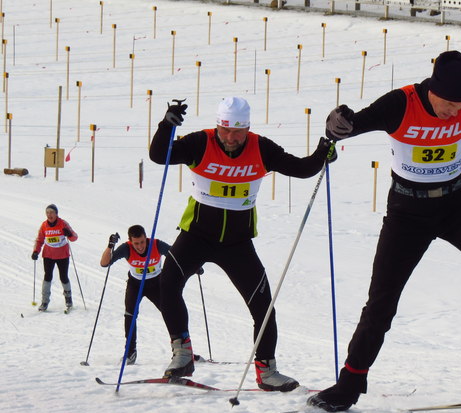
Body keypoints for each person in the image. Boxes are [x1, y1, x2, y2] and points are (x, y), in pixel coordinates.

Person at [308, 40, 461, 412]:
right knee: (382, 300)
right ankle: (348, 384)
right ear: (432, 90)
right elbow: (349, 126)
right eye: (448, 106)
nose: (453, 113)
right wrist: (337, 123)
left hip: (457, 204)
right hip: (408, 212)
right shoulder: (400, 104)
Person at [149, 96, 336, 390]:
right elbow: (160, 155)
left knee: (263, 307)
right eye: (225, 130)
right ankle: (182, 354)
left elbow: (301, 169)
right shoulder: (201, 142)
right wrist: (166, 125)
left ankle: (267, 371)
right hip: (196, 235)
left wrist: (323, 151)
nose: (231, 138)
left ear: (248, 128)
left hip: (237, 243)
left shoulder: (261, 148)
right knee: (167, 284)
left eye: (238, 131)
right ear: (217, 126)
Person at [100, 225, 173, 365]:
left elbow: (176, 255)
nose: (140, 246)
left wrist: (194, 267)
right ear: (130, 241)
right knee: (130, 315)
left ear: (146, 238)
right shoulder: (126, 248)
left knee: (170, 313)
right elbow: (104, 263)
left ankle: (182, 350)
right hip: (136, 285)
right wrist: (110, 246)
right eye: (136, 243)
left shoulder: (156, 244)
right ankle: (130, 352)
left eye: (142, 242)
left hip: (156, 284)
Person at [32, 204, 78, 312]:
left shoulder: (63, 224)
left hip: (62, 255)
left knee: (63, 277)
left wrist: (69, 234)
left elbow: (74, 237)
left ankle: (68, 299)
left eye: (52, 212)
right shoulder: (44, 225)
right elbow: (39, 240)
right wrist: (35, 251)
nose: (49, 215)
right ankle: (44, 301)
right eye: (47, 213)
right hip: (48, 255)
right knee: (47, 276)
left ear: (56, 214)